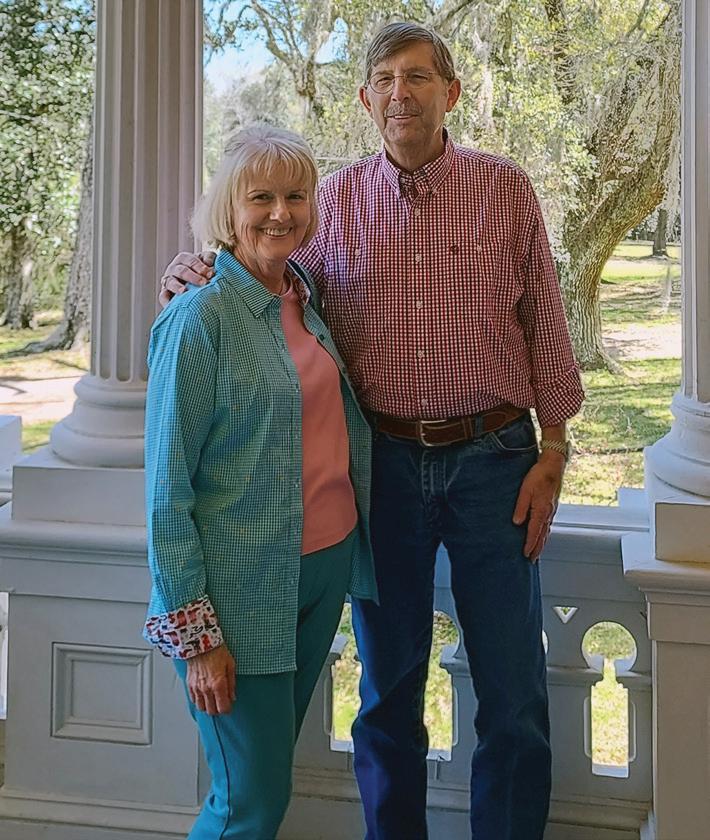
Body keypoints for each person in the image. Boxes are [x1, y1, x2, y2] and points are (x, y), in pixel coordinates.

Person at [160, 22, 584, 840]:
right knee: (388, 692)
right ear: (364, 98)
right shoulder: (333, 203)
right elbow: (266, 272)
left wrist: (557, 445)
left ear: (450, 92)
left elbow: (545, 318)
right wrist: (192, 268)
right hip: (381, 470)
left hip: (497, 462)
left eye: (418, 76)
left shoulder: (504, 189)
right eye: (384, 78)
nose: (400, 93)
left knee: (513, 691)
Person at [143, 124, 377, 840]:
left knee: (264, 783)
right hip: (238, 593)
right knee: (248, 803)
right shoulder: (198, 318)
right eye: (261, 198)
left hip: (321, 568)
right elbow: (166, 491)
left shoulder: (304, 296)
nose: (281, 212)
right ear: (228, 209)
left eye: (296, 196)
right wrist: (196, 638)